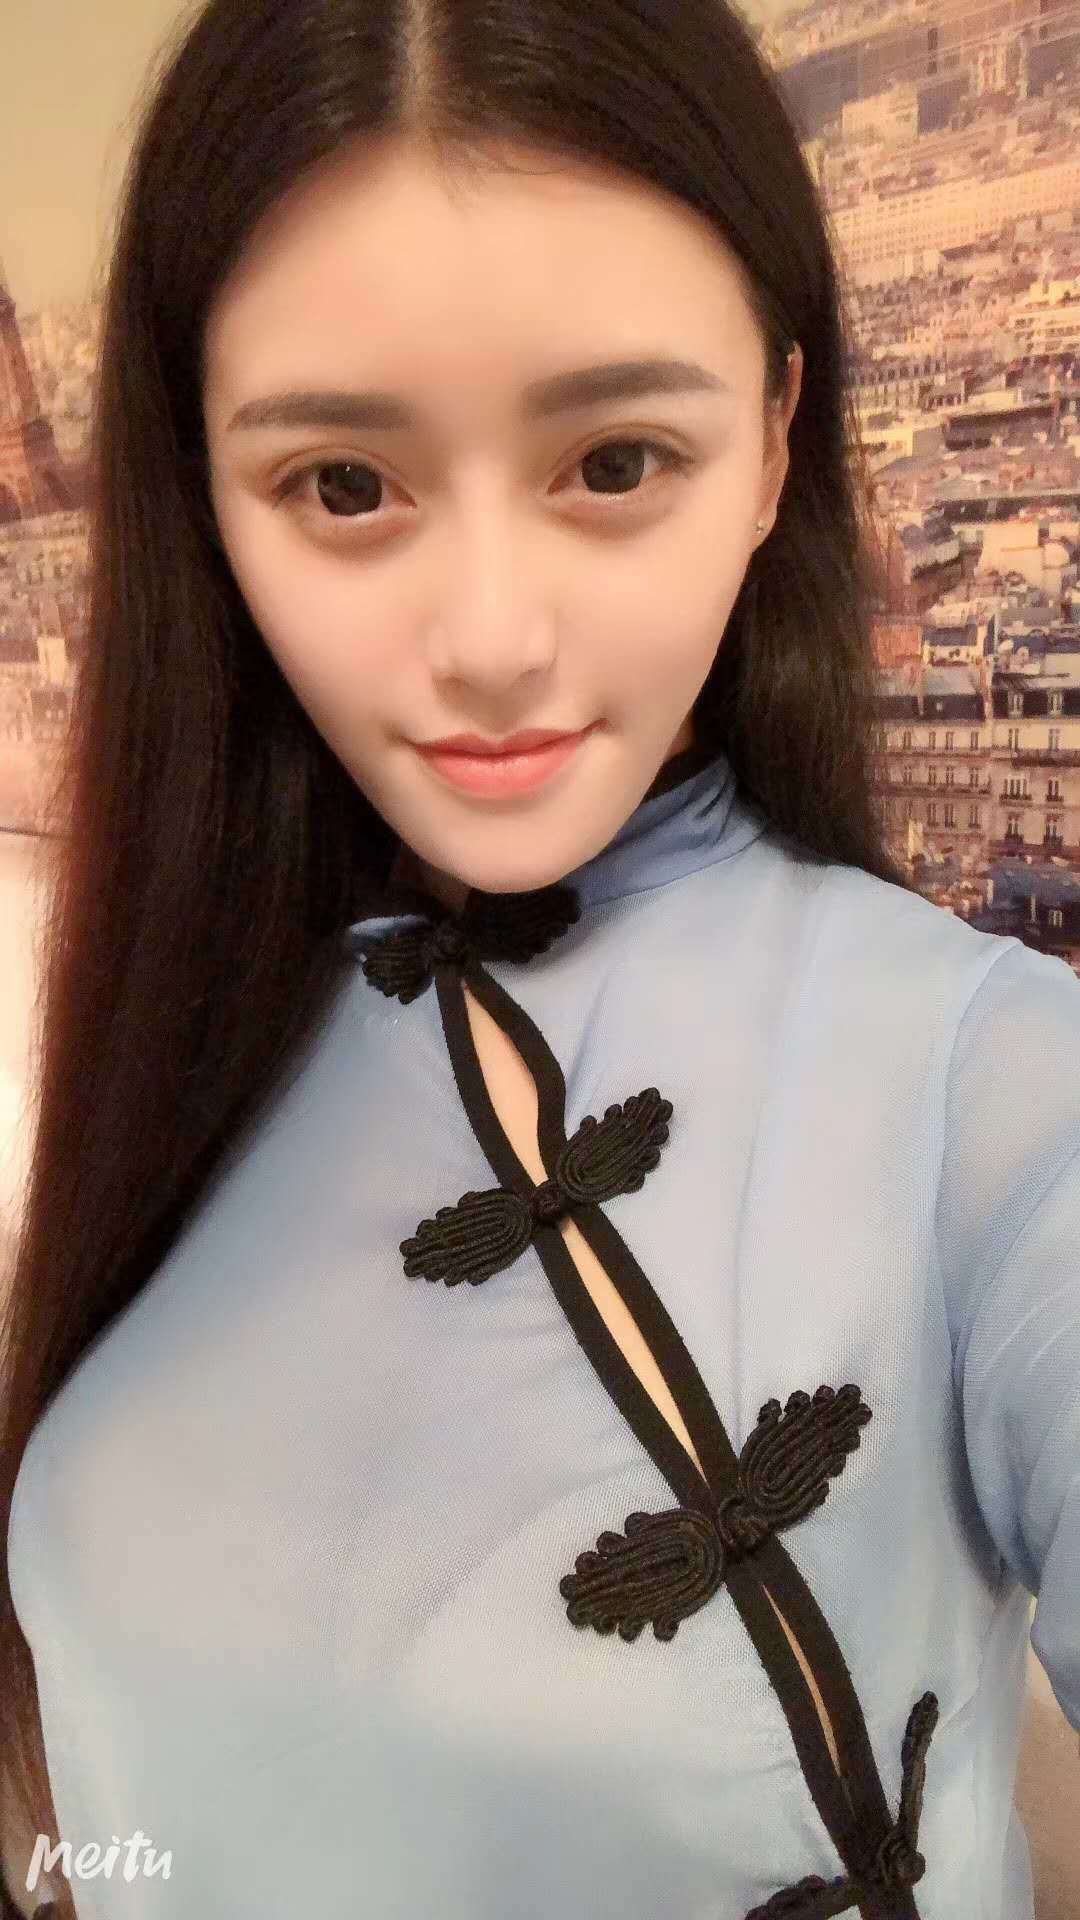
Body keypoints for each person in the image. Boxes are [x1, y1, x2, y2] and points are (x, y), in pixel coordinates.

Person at [2, 0, 1078, 1915]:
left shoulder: (991, 1097)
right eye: (346, 487)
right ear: (206, 503)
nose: (492, 640)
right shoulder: (181, 1032)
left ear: (776, 444)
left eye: (616, 461)